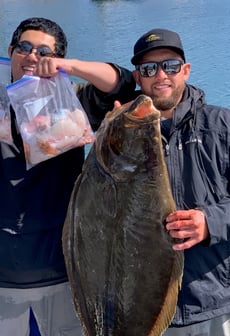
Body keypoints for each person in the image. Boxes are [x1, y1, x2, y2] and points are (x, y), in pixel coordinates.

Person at [0, 17, 135, 336]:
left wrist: (69, 66)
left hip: (64, 269)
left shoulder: (73, 101)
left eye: (44, 52)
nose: (32, 56)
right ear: (11, 51)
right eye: (24, 47)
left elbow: (122, 84)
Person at [116, 28, 230, 335]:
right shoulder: (121, 133)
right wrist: (114, 136)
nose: (161, 75)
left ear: (186, 71)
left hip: (218, 301)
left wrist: (210, 222)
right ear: (138, 77)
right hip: (144, 307)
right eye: (149, 69)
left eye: (171, 66)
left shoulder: (225, 125)